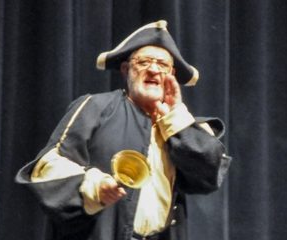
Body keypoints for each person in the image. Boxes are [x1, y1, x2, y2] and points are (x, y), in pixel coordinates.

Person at [16, 20, 231, 240]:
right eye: (144, 62)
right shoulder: (95, 107)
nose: (154, 69)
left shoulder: (182, 125)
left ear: (172, 75)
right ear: (126, 69)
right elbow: (47, 166)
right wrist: (93, 187)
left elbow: (209, 175)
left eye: (163, 65)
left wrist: (174, 117)